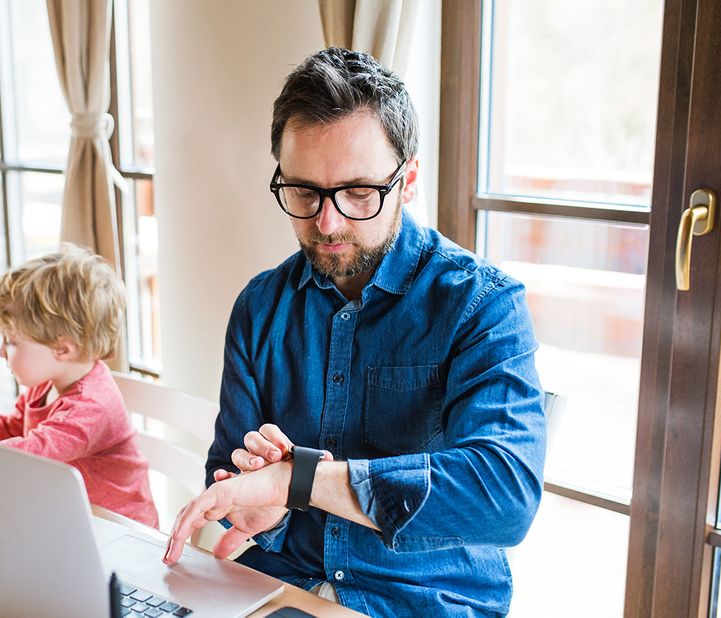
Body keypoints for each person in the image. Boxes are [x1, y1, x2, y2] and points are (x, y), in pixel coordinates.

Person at [161, 48, 544, 617]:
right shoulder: (260, 307)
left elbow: (505, 496)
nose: (328, 222)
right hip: (278, 588)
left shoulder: (481, 305)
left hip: (421, 604)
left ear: (407, 179)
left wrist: (301, 481)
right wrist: (263, 510)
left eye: (359, 193)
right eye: (304, 193)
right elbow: (228, 473)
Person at [0, 245, 158, 528]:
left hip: (119, 531)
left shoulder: (93, 405)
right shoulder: (50, 383)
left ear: (62, 349)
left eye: (11, 342)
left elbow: (33, 452)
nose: (1, 352)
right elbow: (13, 425)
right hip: (71, 516)